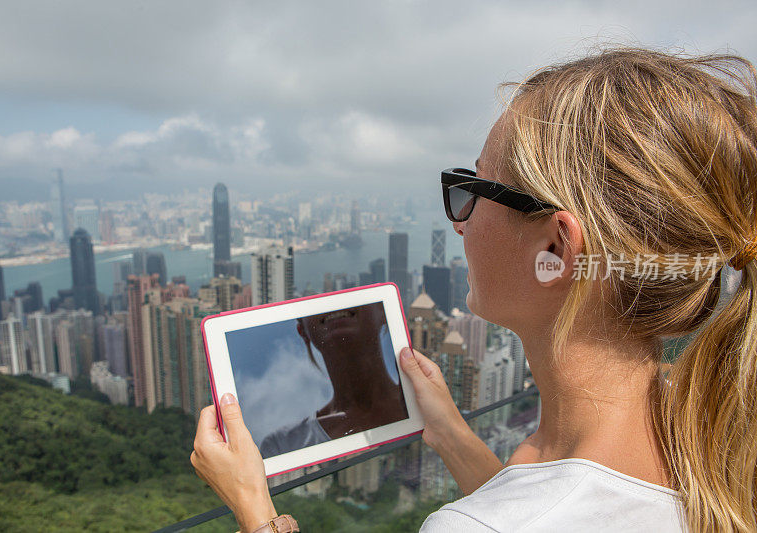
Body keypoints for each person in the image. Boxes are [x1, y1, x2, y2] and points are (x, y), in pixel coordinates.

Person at [190, 47, 757, 532]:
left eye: (475, 188)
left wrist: (254, 509)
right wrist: (450, 433)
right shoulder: (711, 437)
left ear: (556, 249)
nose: (459, 222)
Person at [258, 304, 408, 458]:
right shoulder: (283, 446)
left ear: (383, 312)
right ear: (303, 332)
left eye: (353, 294)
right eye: (314, 298)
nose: (333, 304)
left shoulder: (421, 404)